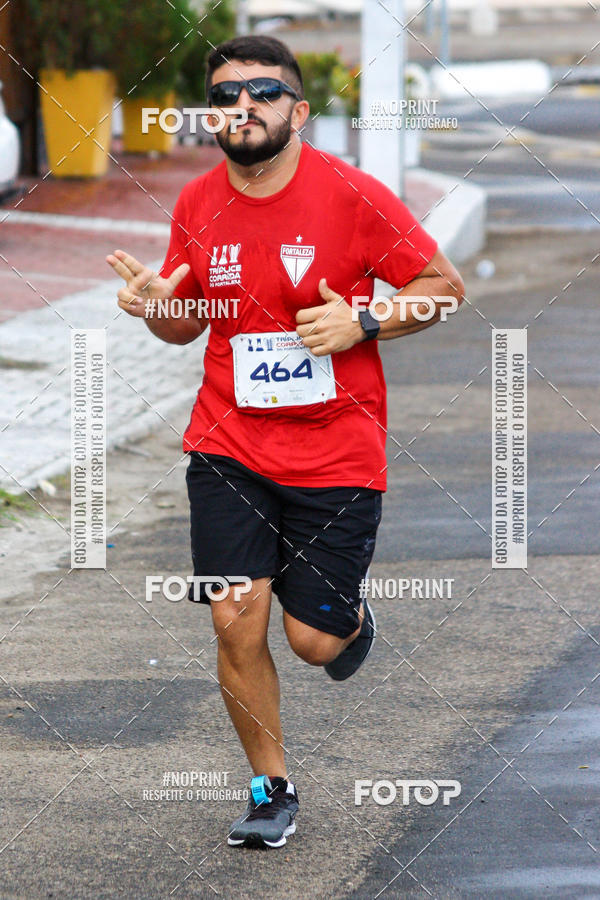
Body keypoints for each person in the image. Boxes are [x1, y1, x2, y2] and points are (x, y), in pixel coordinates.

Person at [106, 34, 464, 850]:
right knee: (235, 618)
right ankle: (270, 787)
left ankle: (350, 622)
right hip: (227, 445)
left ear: (298, 111)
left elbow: (444, 288)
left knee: (313, 643)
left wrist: (364, 319)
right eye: (227, 95)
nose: (243, 107)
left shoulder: (353, 195)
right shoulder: (198, 203)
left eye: (263, 93)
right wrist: (160, 305)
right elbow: (184, 323)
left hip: (337, 453)